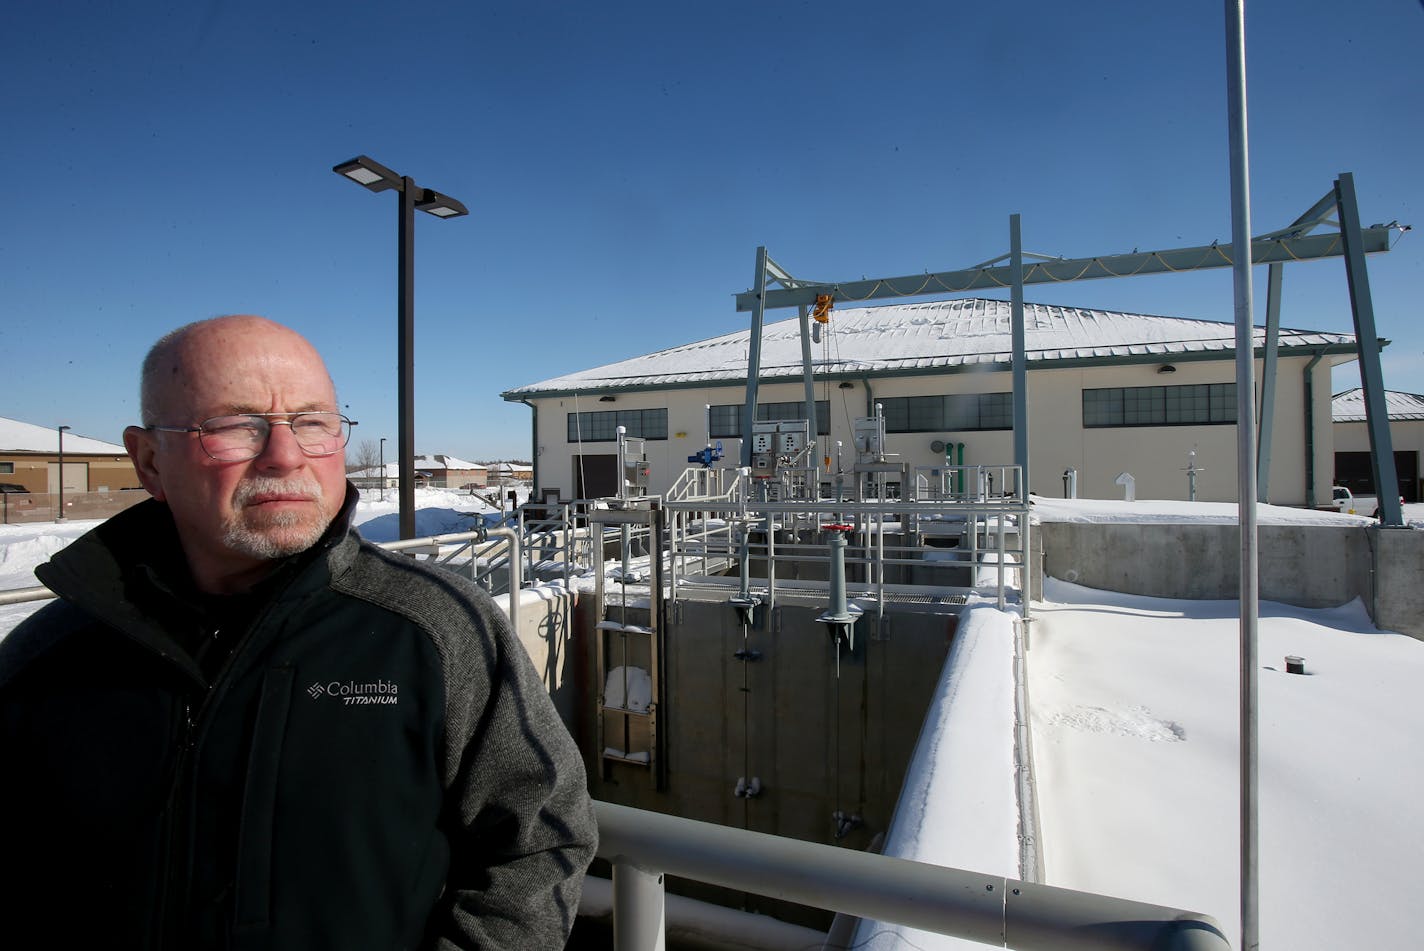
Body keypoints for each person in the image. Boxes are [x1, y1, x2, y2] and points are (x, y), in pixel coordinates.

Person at [0, 315, 597, 949]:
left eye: (312, 423)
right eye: (235, 426)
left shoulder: (436, 631)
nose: (285, 457)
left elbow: (541, 840)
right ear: (149, 460)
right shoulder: (50, 659)